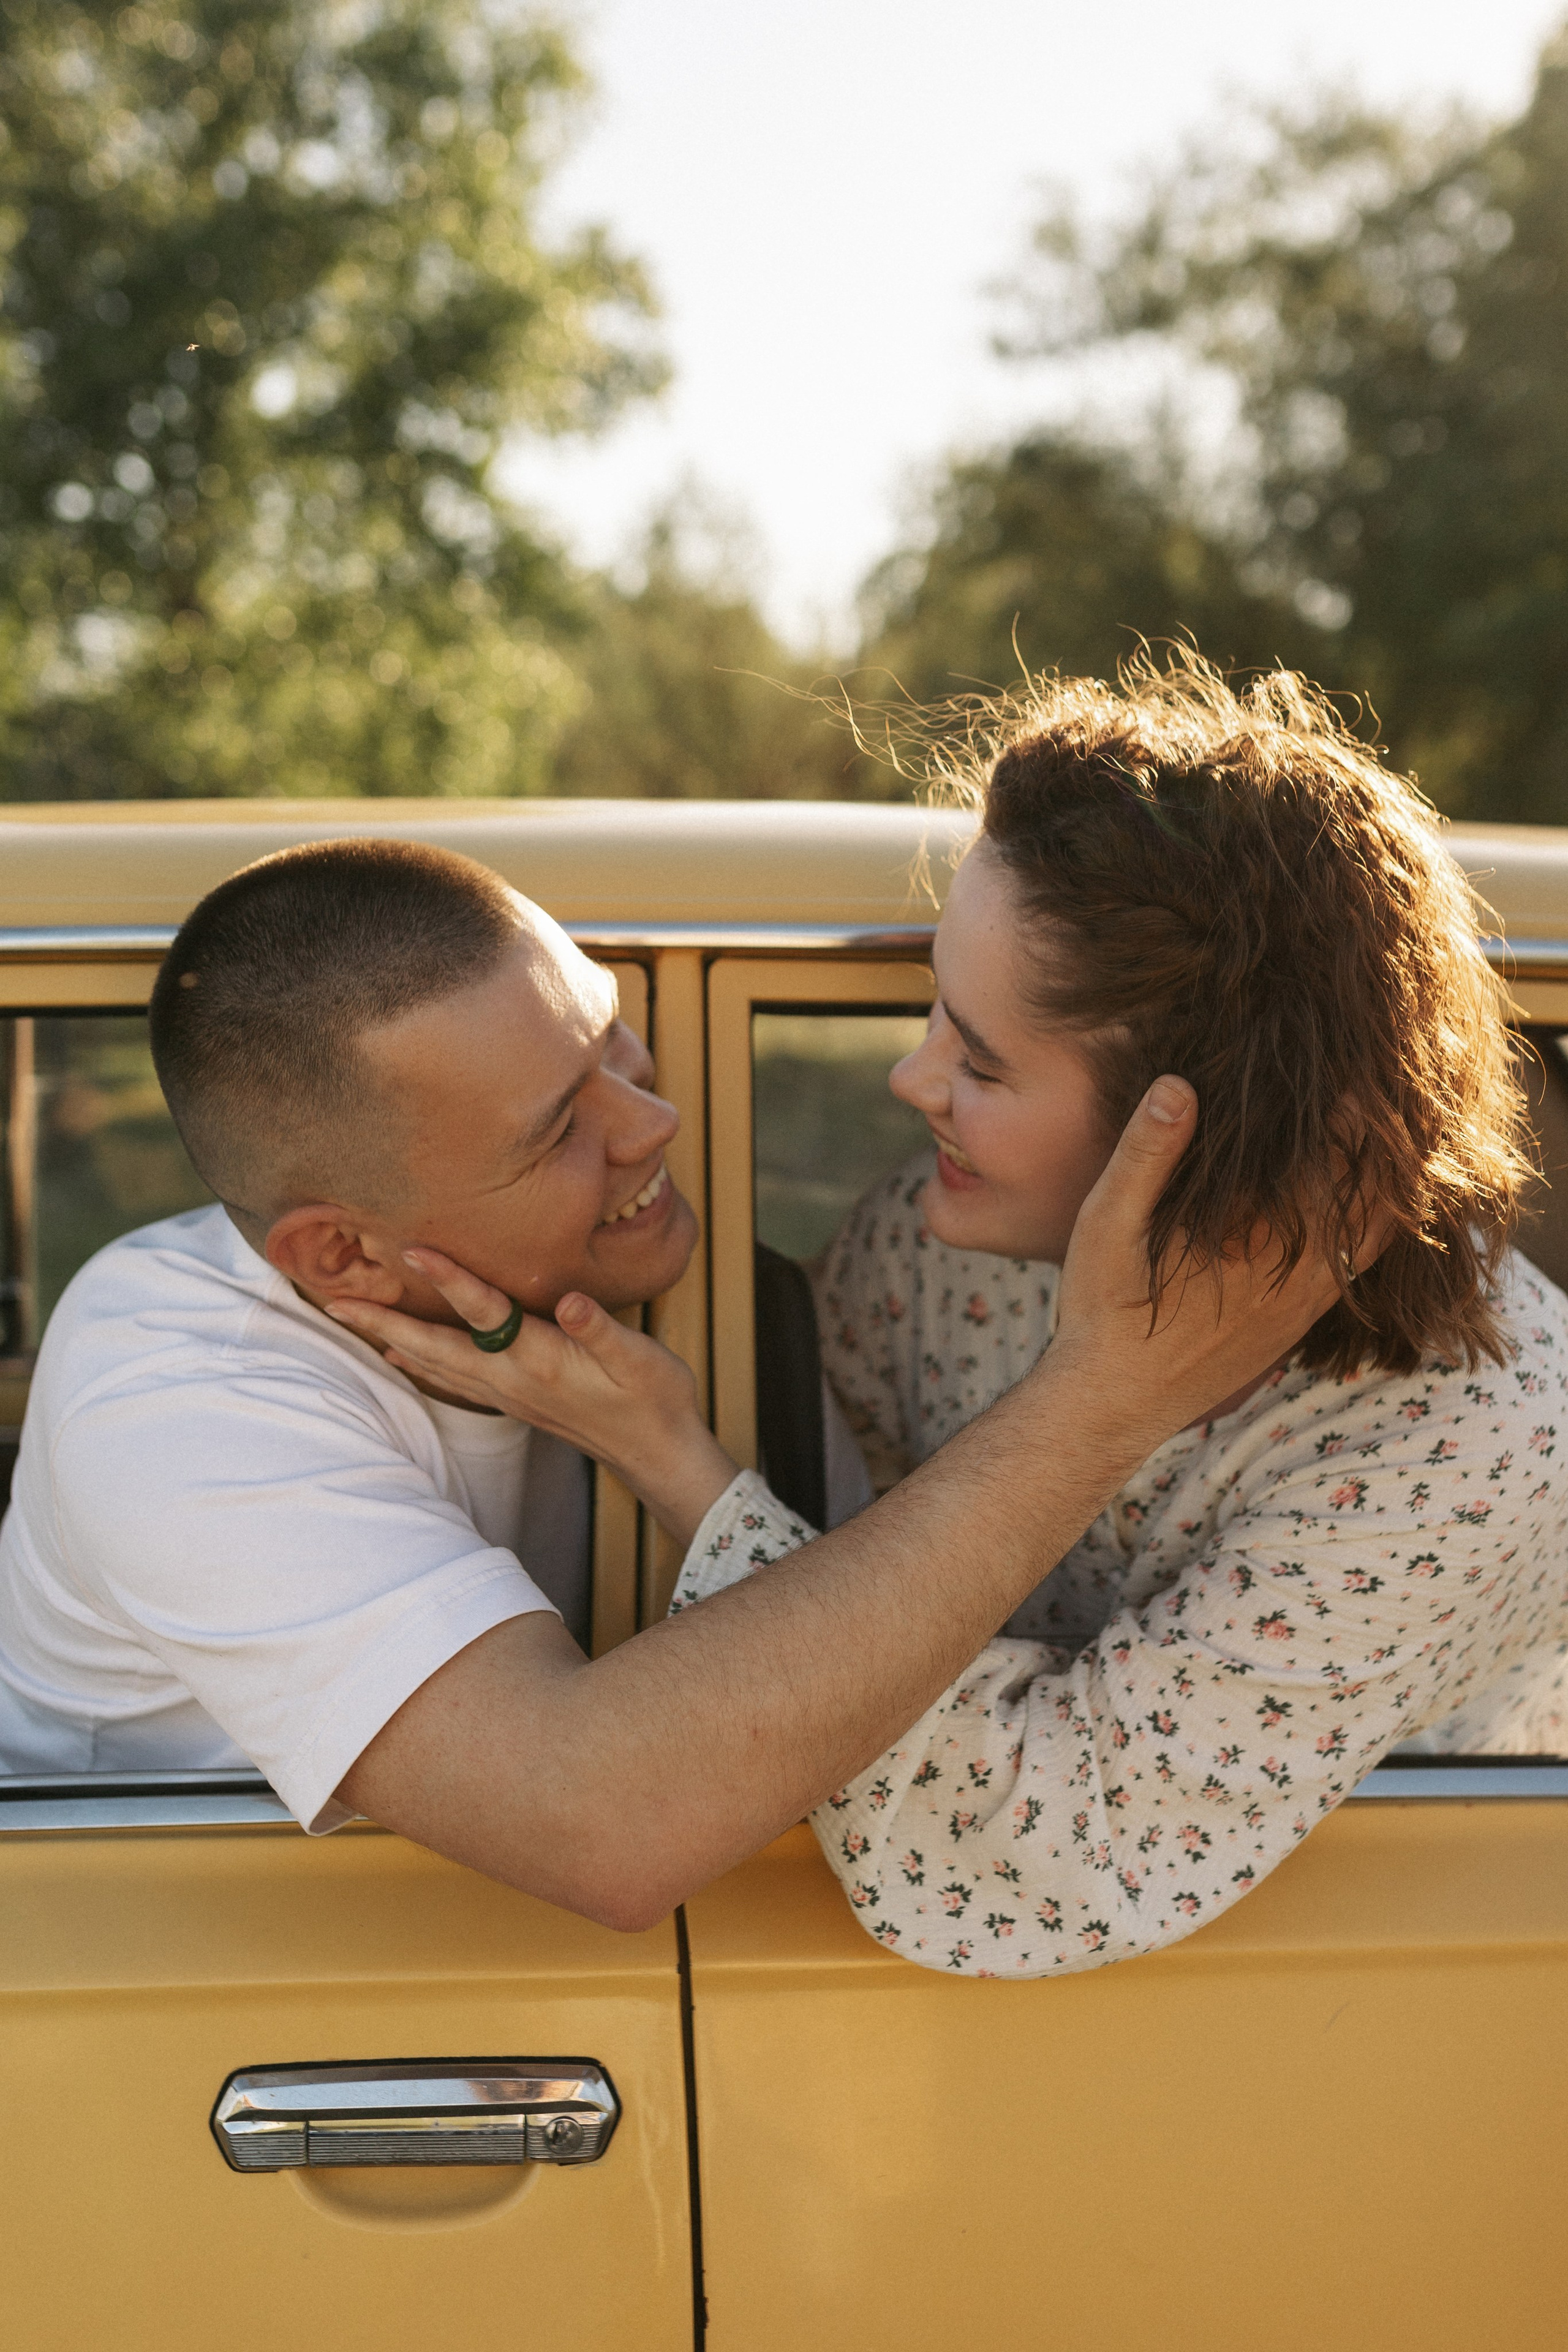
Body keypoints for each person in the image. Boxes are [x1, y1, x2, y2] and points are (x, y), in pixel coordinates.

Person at [339, 660, 1568, 1978]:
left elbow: (1008, 1859)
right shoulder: (944, 1254)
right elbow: (850, 1540)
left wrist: (673, 1463)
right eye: (931, 1011)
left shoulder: (1474, 1443)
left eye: (979, 1063)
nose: (909, 1076)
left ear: (1202, 1134)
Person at [0, 829, 1335, 1934]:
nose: (654, 1125)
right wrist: (1099, 1400)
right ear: (343, 1253)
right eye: (557, 1131)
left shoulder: (710, 1306)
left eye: (614, 1047)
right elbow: (598, 1820)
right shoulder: (173, 1393)